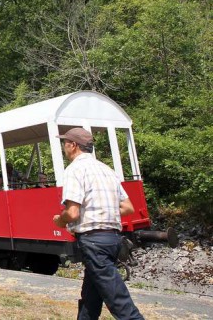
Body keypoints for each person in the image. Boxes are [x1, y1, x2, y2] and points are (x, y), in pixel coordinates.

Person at [52, 127, 143, 320]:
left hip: (93, 241)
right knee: (90, 298)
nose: (64, 147)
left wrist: (60, 220)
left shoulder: (74, 169)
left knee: (118, 300)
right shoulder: (106, 170)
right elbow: (128, 208)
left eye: (64, 143)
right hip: (113, 240)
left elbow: (73, 212)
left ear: (73, 145)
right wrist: (103, 211)